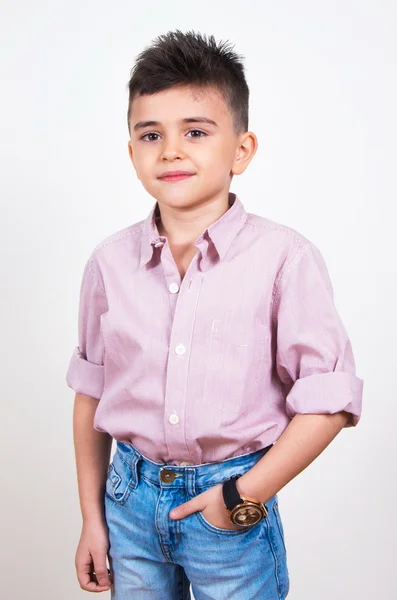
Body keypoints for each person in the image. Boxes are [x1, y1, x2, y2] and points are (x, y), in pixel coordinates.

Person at [66, 29, 364, 600]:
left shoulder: (284, 260)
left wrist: (239, 497)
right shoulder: (109, 263)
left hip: (228, 503)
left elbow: (328, 402)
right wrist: (91, 518)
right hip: (128, 502)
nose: (171, 151)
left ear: (242, 149)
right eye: (150, 134)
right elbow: (90, 395)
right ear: (132, 153)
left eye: (196, 132)